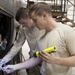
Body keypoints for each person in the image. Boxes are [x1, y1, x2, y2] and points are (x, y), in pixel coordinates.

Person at [2, 2, 75, 75]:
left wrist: (56, 60)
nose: (34, 23)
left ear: (44, 16)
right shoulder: (41, 38)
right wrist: (15, 67)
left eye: (35, 20)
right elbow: (36, 59)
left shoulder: (67, 32)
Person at [0, 7, 45, 75]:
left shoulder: (42, 26)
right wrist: (5, 59)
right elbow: (18, 45)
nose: (23, 26)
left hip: (46, 59)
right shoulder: (23, 29)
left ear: (30, 17)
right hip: (34, 58)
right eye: (21, 24)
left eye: (24, 23)